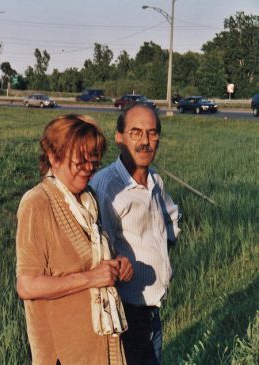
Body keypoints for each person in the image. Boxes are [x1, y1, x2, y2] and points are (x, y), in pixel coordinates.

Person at [16, 114, 134, 364]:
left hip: (100, 346)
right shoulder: (37, 203)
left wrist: (117, 266)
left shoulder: (87, 200)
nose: (90, 167)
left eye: (94, 159)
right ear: (53, 156)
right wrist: (92, 278)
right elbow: (27, 286)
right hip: (63, 353)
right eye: (81, 160)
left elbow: (94, 263)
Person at [90, 104, 181, 365]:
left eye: (152, 133)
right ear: (119, 138)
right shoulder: (107, 188)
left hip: (153, 309)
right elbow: (98, 253)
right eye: (136, 133)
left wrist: (163, 249)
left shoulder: (155, 181)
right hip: (126, 315)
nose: (145, 142)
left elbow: (173, 217)